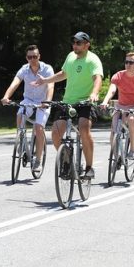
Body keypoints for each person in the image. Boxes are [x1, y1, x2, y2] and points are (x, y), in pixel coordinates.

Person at [33, 31, 103, 179]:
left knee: (84, 128)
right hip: (68, 101)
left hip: (85, 101)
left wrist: (94, 93)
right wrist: (46, 80)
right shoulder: (70, 56)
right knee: (56, 133)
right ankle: (66, 159)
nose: (75, 46)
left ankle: (89, 167)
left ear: (87, 45)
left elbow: (97, 78)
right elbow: (64, 74)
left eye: (78, 43)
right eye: (74, 43)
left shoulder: (92, 60)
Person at [1, 45, 55, 172]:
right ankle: (21, 141)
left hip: (43, 101)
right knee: (20, 115)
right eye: (30, 57)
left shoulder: (47, 69)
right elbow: (15, 82)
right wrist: (6, 97)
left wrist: (47, 102)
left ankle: (38, 161)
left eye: (35, 57)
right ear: (27, 58)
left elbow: (50, 87)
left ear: (39, 56)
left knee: (38, 127)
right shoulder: (24, 69)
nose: (32, 59)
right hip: (29, 100)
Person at [100, 51, 134, 160]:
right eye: (126, 62)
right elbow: (112, 90)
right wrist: (105, 101)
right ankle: (116, 156)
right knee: (114, 129)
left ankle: (132, 149)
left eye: (131, 62)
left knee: (132, 119)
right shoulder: (118, 75)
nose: (128, 64)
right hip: (121, 106)